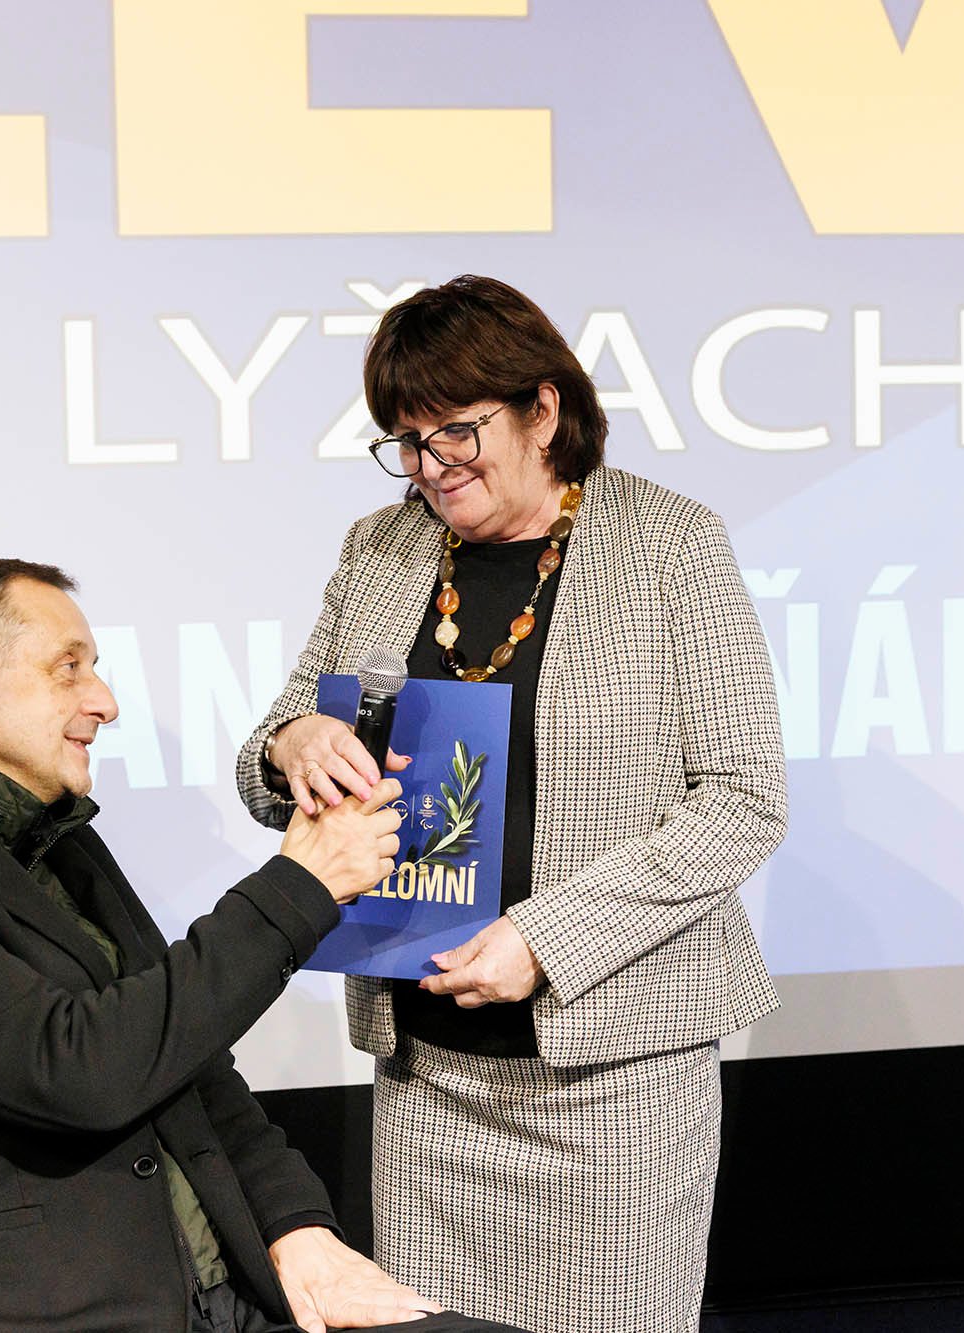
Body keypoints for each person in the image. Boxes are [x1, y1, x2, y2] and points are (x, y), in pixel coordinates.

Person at [237, 274, 786, 1333]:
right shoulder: (381, 549)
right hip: (427, 1077)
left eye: (455, 431)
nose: (429, 465)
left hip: (612, 1077)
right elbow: (267, 761)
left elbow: (742, 798)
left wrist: (545, 939)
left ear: (542, 408)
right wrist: (290, 744)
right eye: (406, 440)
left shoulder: (670, 543)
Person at [0, 557, 449, 1333]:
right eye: (68, 668)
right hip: (26, 1316)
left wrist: (300, 1230)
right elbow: (84, 1071)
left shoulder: (54, 839)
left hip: (211, 1295)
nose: (105, 702)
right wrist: (300, 885)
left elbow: (191, 1063)